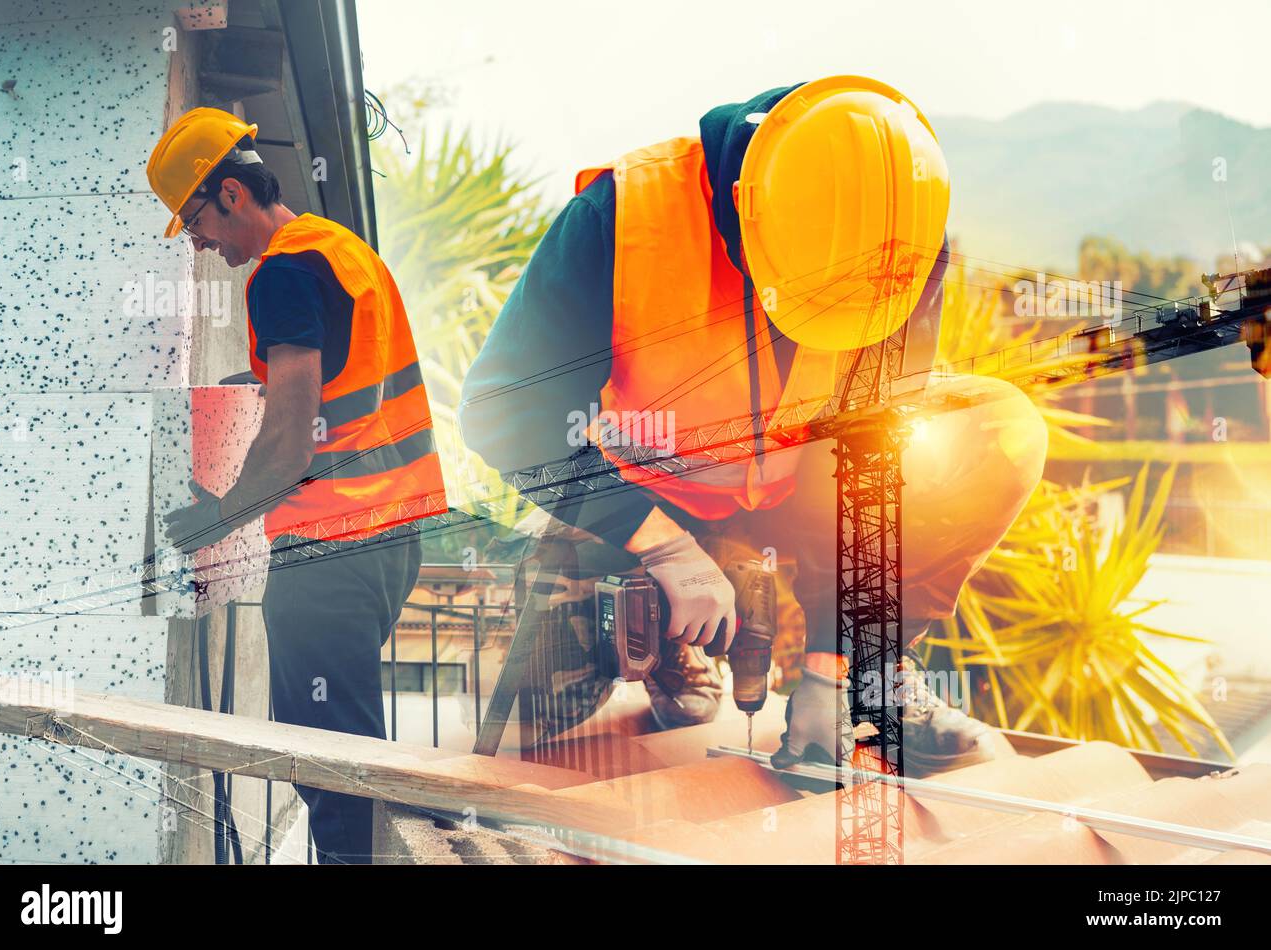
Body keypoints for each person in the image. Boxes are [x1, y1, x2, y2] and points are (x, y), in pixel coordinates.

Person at [459, 77, 1047, 774]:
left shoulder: (906, 243)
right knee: (514, 703)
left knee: (996, 430)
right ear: (743, 205)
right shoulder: (624, 216)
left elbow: (872, 456)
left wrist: (831, 666)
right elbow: (502, 410)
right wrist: (665, 549)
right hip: (643, 494)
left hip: (798, 492)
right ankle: (667, 631)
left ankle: (872, 675)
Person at [146, 107, 447, 860]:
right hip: (389, 536)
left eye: (196, 224)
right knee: (351, 754)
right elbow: (336, 400)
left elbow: (286, 444)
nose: (202, 246)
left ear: (231, 195)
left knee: (329, 765)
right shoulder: (340, 249)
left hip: (331, 549)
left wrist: (217, 518)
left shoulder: (282, 275)